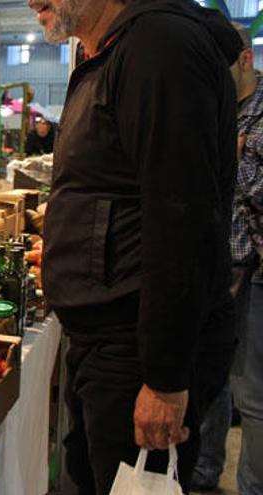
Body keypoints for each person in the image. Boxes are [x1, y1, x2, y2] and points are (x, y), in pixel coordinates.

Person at [27, 0, 242, 493]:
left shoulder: (158, 46)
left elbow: (181, 219)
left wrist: (165, 380)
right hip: (107, 341)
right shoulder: (109, 51)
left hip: (136, 352)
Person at [192, 23, 263, 494]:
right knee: (211, 376)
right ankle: (204, 471)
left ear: (245, 60)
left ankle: (253, 485)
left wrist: (232, 158)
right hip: (219, 264)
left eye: (222, 67)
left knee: (253, 391)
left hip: (256, 269)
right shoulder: (218, 112)